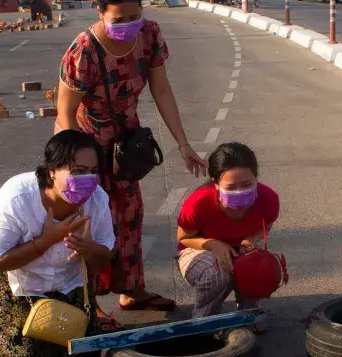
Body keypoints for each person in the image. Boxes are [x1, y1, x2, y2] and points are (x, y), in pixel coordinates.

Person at [55, 0, 207, 328]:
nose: (128, 25)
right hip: (86, 149)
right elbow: (65, 112)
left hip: (125, 147)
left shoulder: (150, 35)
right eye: (118, 19)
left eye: (134, 16)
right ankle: (88, 301)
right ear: (100, 13)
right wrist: (75, 166)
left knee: (130, 218)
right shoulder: (84, 51)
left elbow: (162, 89)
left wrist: (183, 144)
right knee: (91, 223)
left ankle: (132, 290)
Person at [0, 130, 116, 357]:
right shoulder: (17, 198)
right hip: (13, 279)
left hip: (65, 280)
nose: (88, 180)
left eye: (93, 171)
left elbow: (105, 257)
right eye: (78, 171)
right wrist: (47, 240)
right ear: (52, 171)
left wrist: (89, 248)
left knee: (85, 354)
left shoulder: (98, 200)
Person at [176, 143, 279, 327]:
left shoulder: (268, 198)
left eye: (247, 184)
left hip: (240, 248)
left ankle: (250, 311)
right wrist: (213, 244)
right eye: (231, 187)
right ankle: (203, 322)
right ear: (215, 183)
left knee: (257, 266)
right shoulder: (198, 203)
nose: (240, 191)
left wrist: (250, 240)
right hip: (197, 249)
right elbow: (184, 238)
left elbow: (266, 227)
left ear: (256, 177)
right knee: (219, 274)